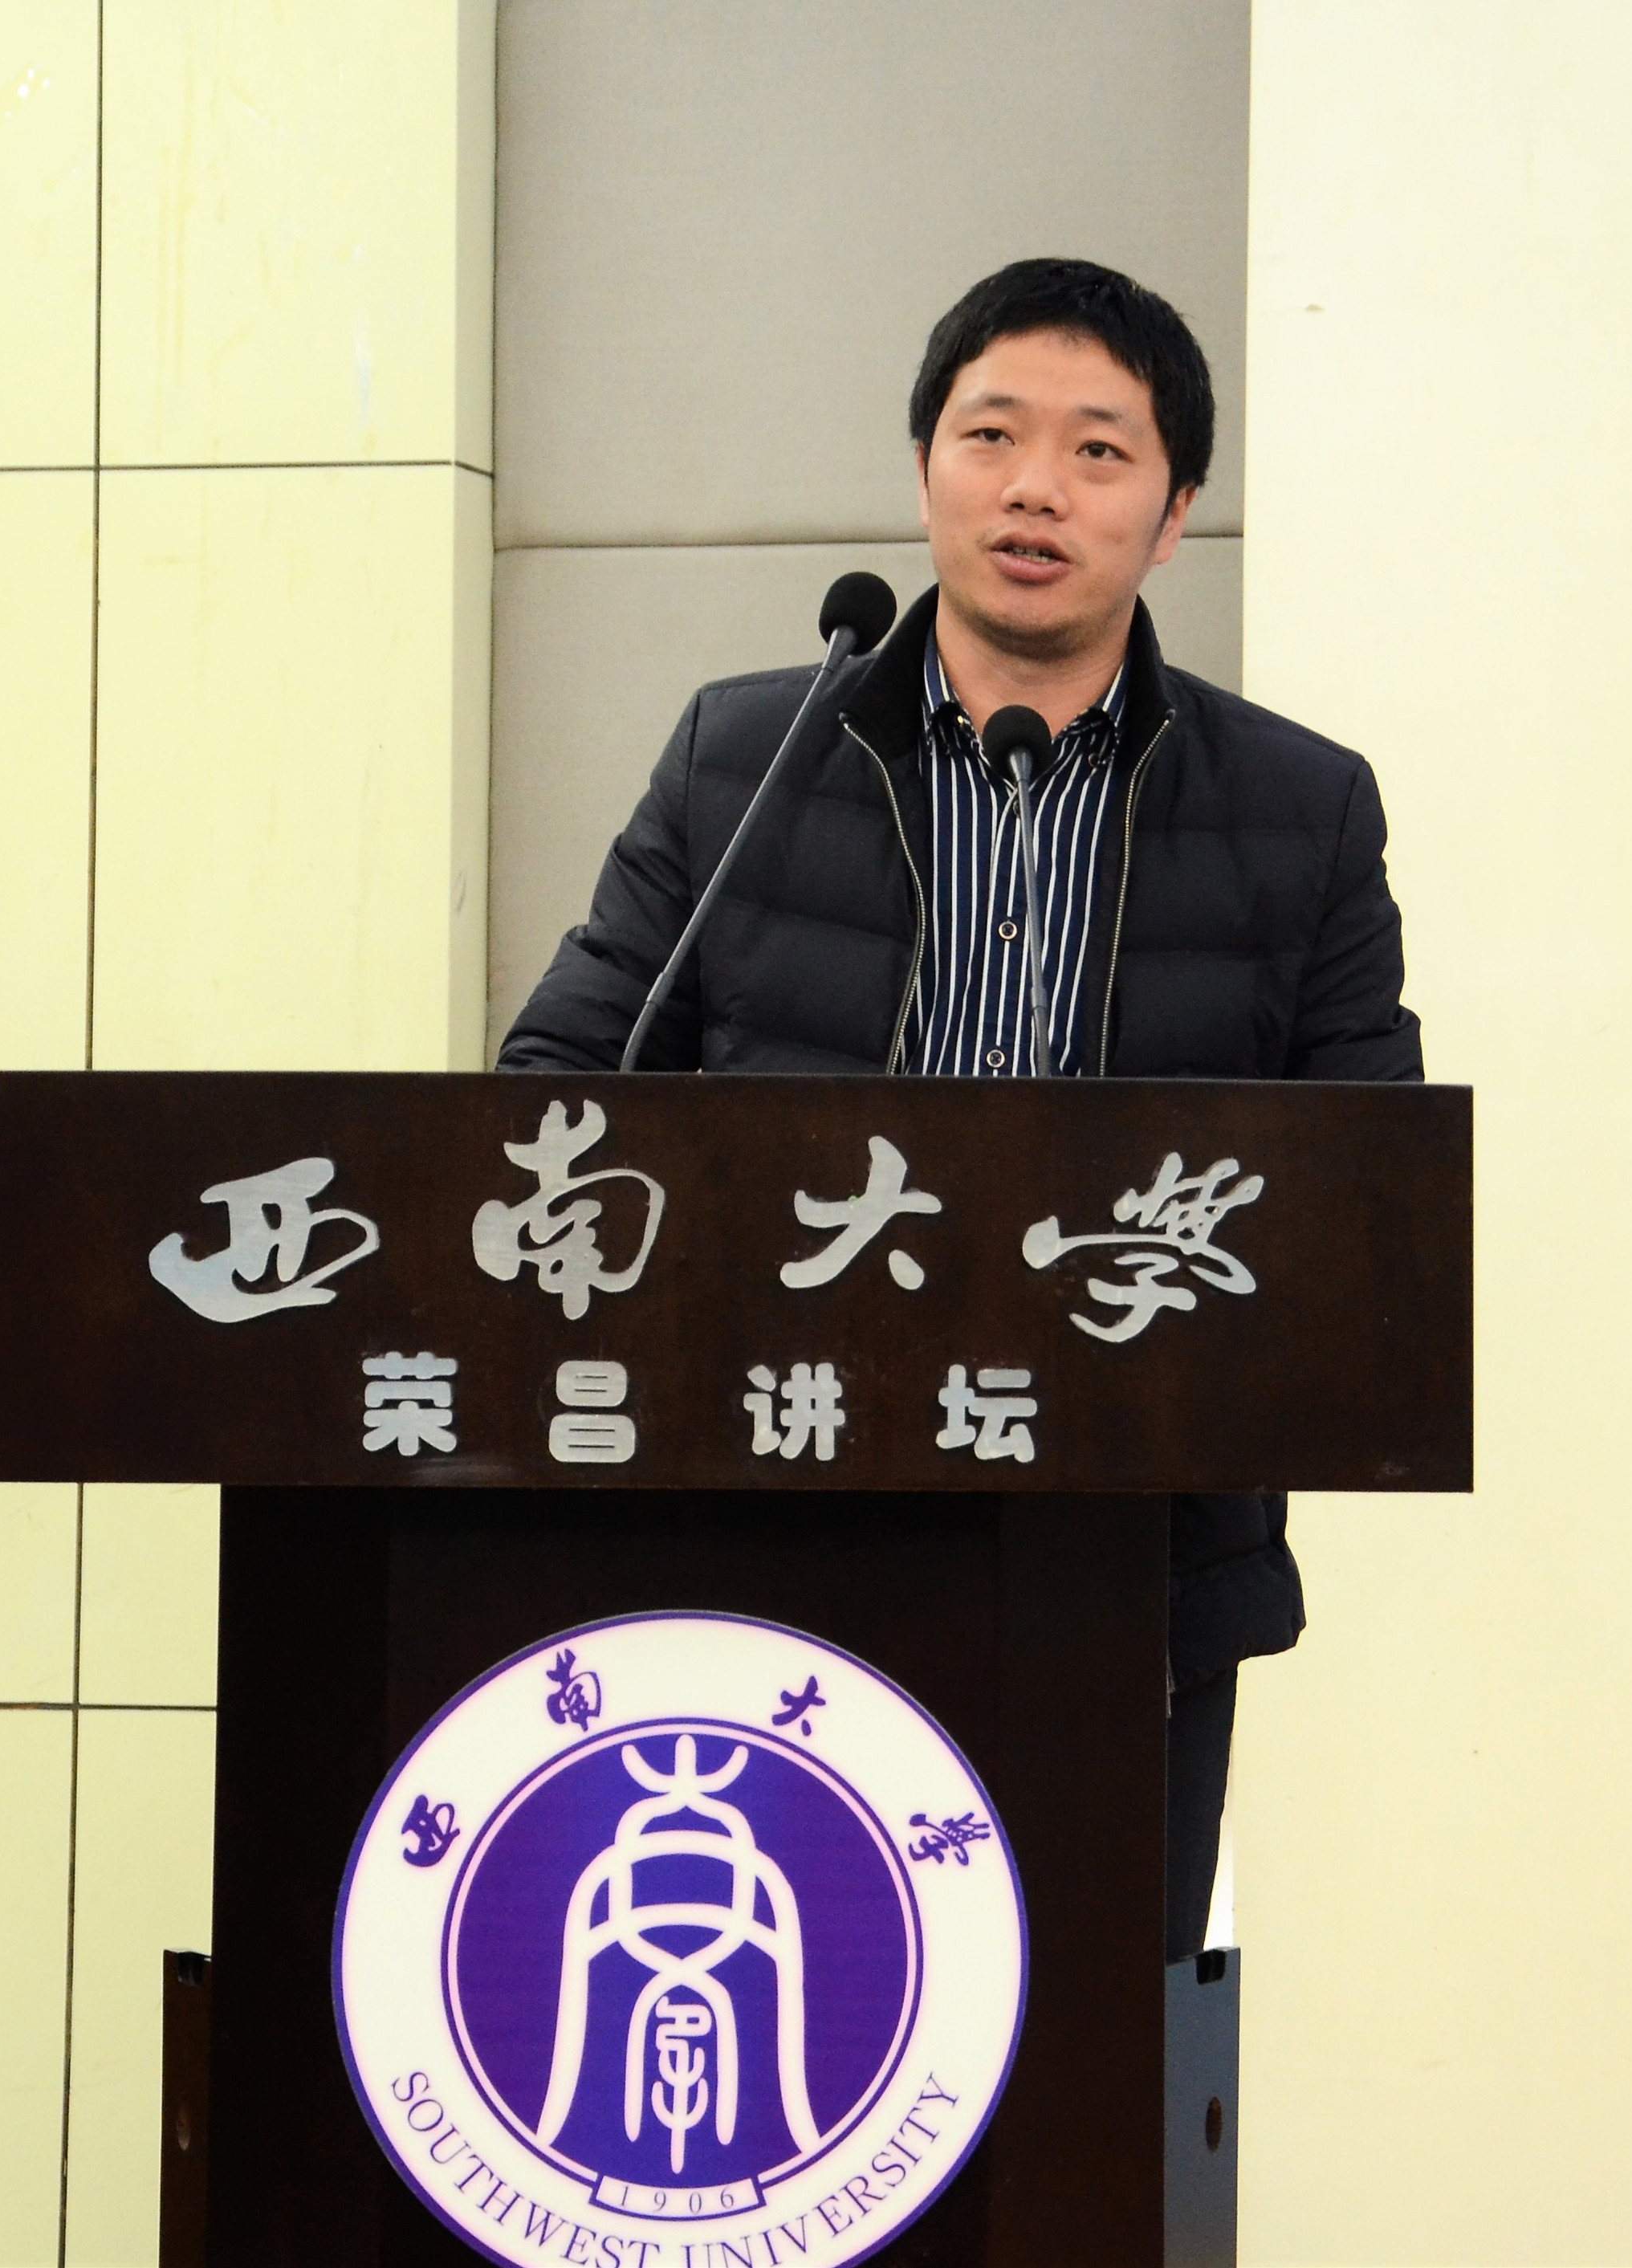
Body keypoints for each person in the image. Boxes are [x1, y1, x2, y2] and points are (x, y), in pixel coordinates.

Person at [500, 256, 1423, 1964]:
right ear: (923, 466)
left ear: (1173, 515)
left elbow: (1364, 1203)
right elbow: (554, 1100)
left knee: (1086, 2046)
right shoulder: (744, 760)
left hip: (1132, 1575)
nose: (1034, 489)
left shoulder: (1297, 812)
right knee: (788, 1997)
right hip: (774, 1521)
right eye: (991, 435)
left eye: (1098, 451)